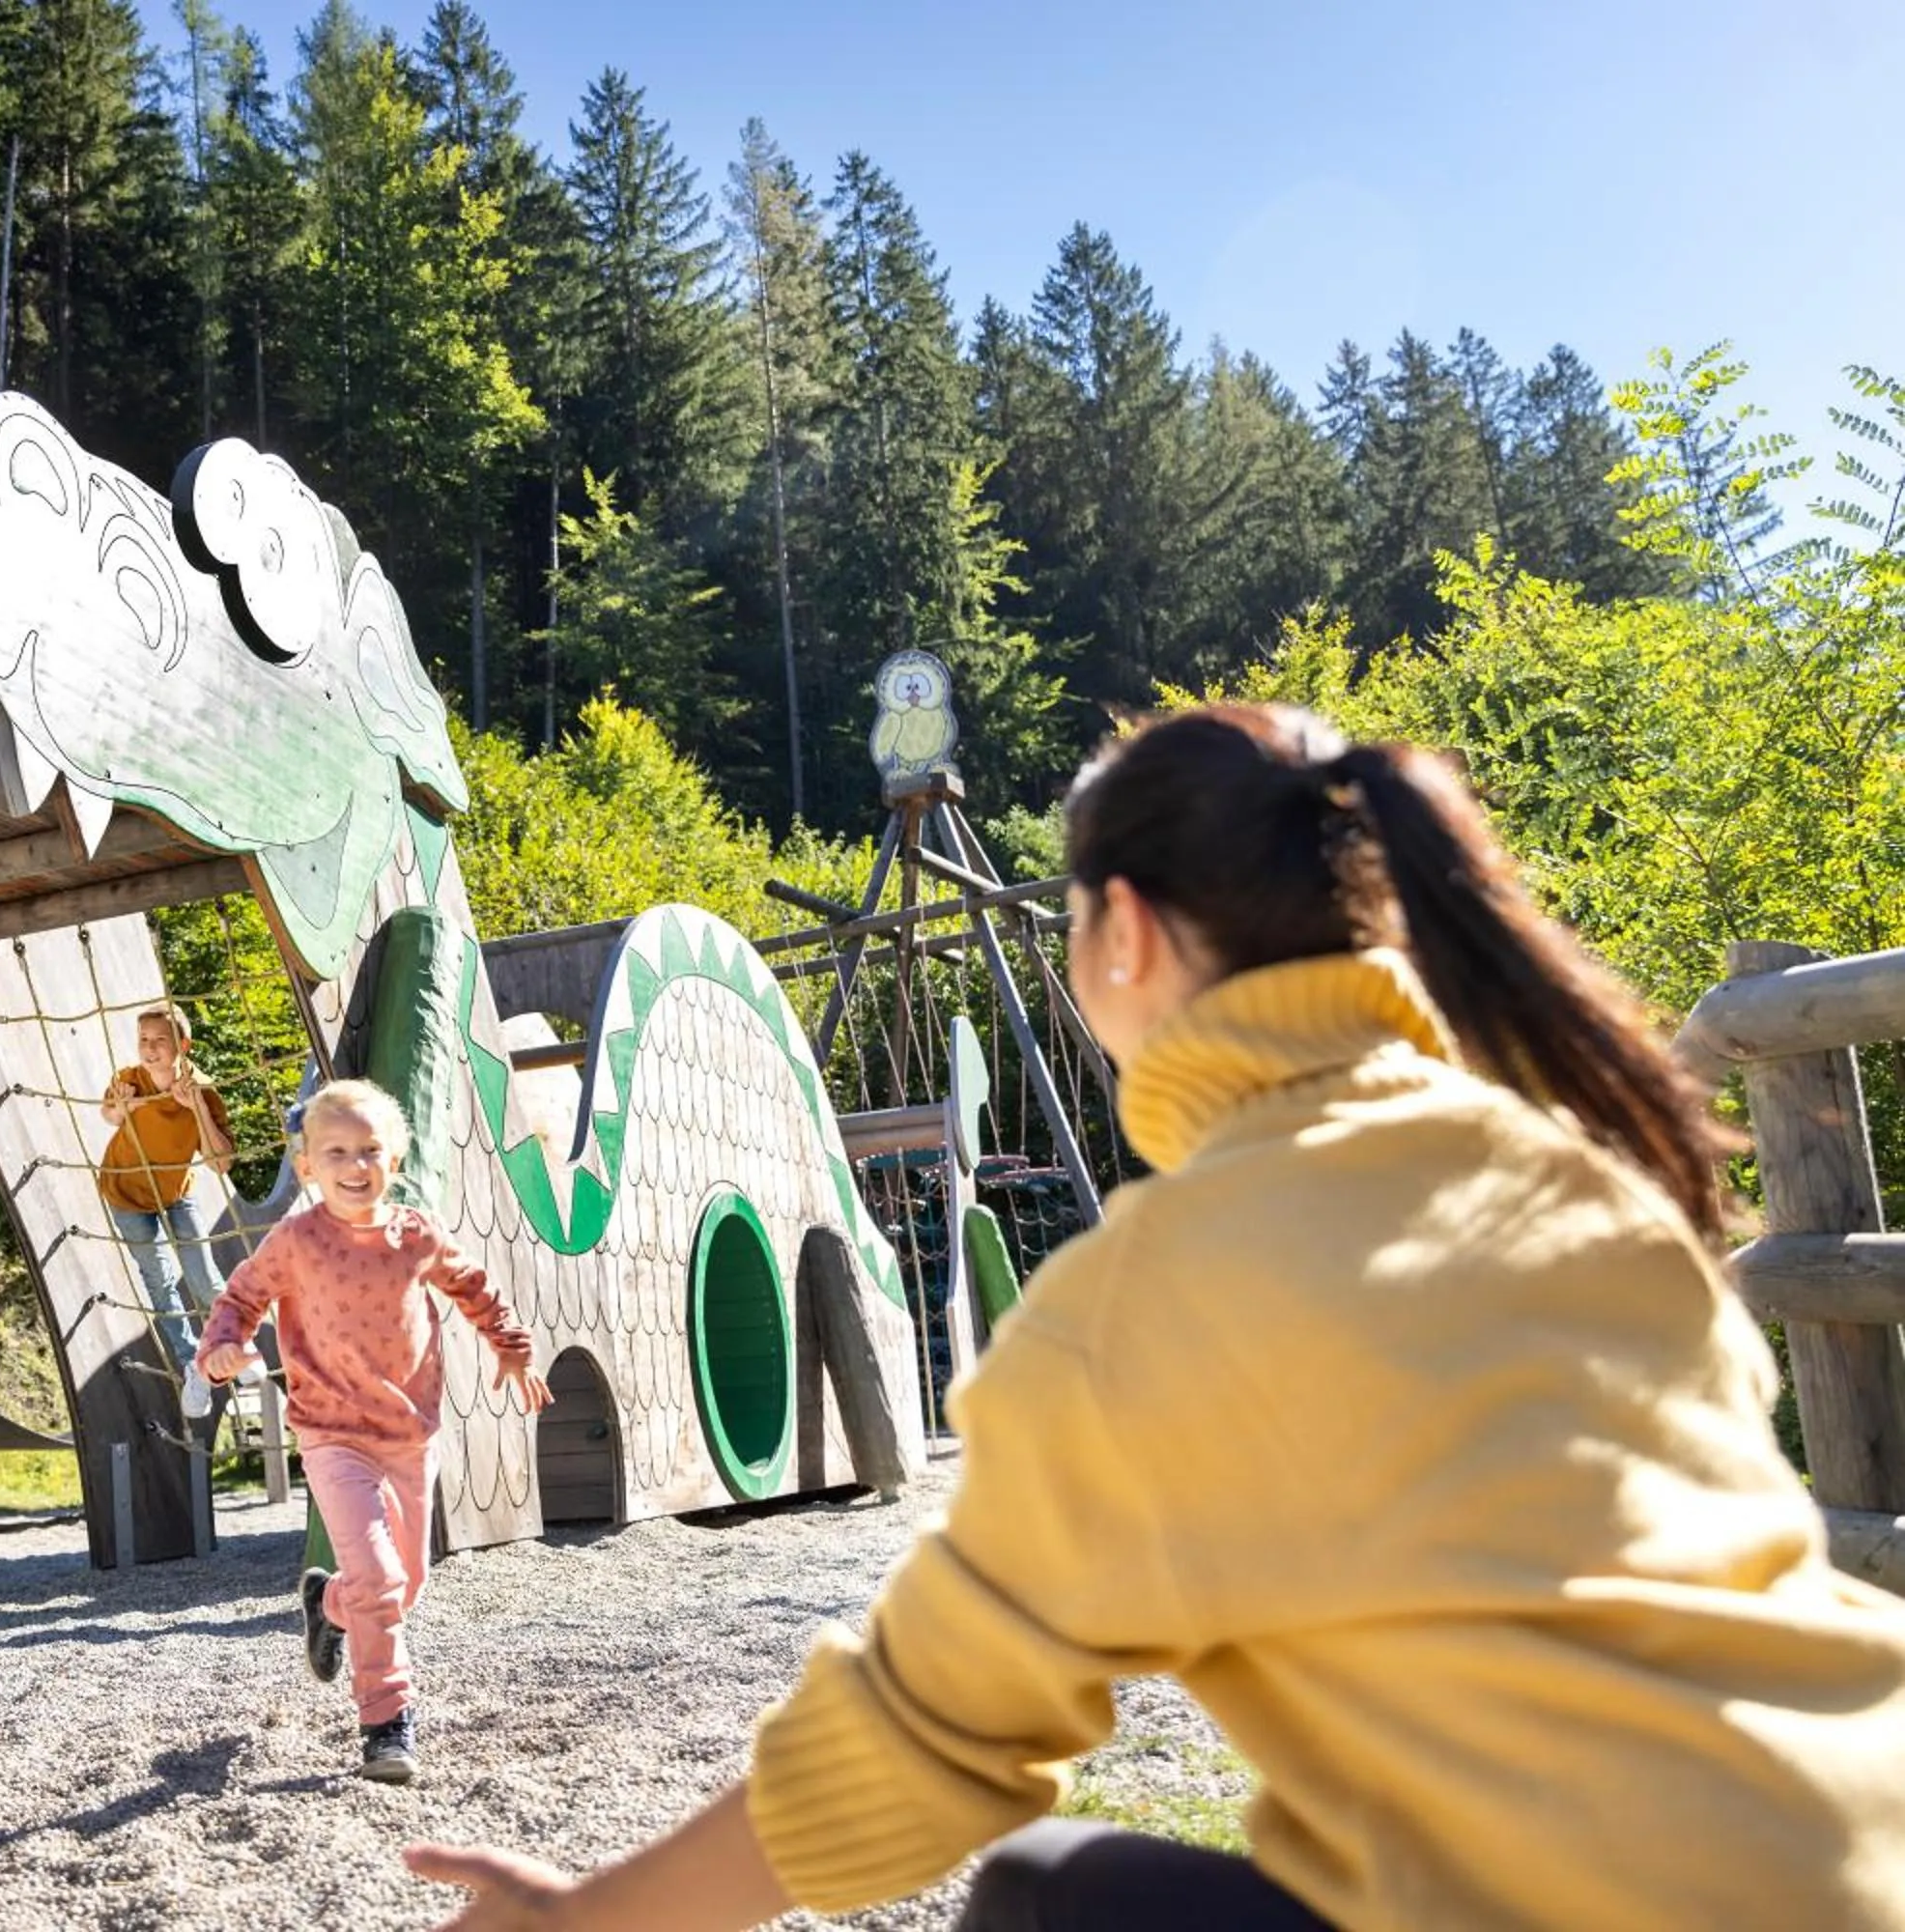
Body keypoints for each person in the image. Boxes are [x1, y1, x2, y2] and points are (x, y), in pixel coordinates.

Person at [407, 704, 1905, 1929]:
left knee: (1048, 1898)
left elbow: (925, 1736)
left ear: (1120, 930)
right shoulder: (1580, 1175)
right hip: (1868, 1834)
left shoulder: (1155, 1290)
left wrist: (587, 1918)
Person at [196, 1080, 552, 1785]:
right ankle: (387, 1725)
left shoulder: (415, 1236)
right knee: (381, 1580)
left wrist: (511, 1345)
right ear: (307, 1167)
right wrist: (222, 1348)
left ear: (395, 1159)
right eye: (336, 1153)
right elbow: (241, 1296)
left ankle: (329, 1604)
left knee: (405, 1583)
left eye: (369, 1151)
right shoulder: (296, 1242)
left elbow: (473, 1286)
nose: (355, 1165)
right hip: (332, 1435)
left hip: (408, 1433)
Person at [98, 1002, 237, 1376]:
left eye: (160, 1039)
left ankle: (234, 1342)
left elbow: (221, 1163)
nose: (150, 1048)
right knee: (159, 1280)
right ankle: (190, 1361)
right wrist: (123, 1109)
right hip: (126, 1191)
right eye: (143, 1039)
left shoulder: (201, 1088)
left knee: (204, 1279)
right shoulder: (129, 1078)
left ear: (183, 1045)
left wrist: (197, 1108)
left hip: (175, 1191)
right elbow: (108, 1114)